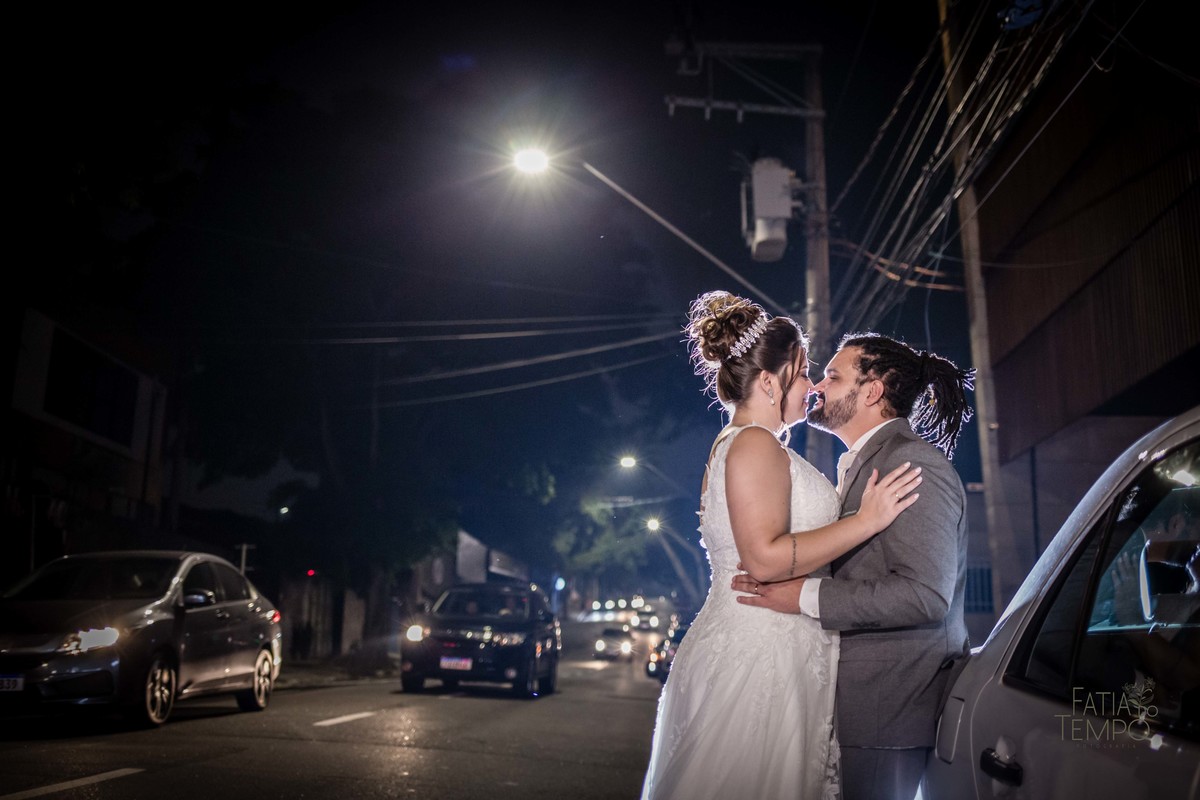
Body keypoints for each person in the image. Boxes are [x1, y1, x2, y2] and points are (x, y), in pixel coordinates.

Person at [640, 293, 923, 800]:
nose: (811, 384)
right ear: (769, 382)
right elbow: (765, 559)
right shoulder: (753, 444)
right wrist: (867, 520)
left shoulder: (746, 443)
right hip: (757, 655)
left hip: (770, 643)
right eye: (802, 372)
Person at [733, 332, 975, 800]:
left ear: (871, 391)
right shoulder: (869, 462)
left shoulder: (911, 462)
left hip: (889, 708)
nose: (818, 386)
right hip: (853, 704)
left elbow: (925, 594)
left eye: (832, 376)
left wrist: (802, 596)